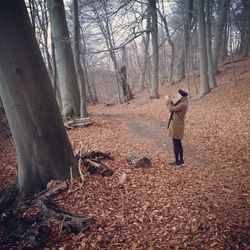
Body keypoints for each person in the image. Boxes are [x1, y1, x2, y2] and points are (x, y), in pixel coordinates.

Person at [165, 89, 188, 166]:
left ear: (181, 95)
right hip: (177, 126)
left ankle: (178, 161)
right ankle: (180, 161)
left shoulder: (183, 104)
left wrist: (168, 101)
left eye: (178, 94)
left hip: (177, 126)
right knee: (178, 143)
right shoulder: (182, 102)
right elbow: (174, 107)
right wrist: (170, 100)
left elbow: (171, 109)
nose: (177, 95)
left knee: (176, 144)